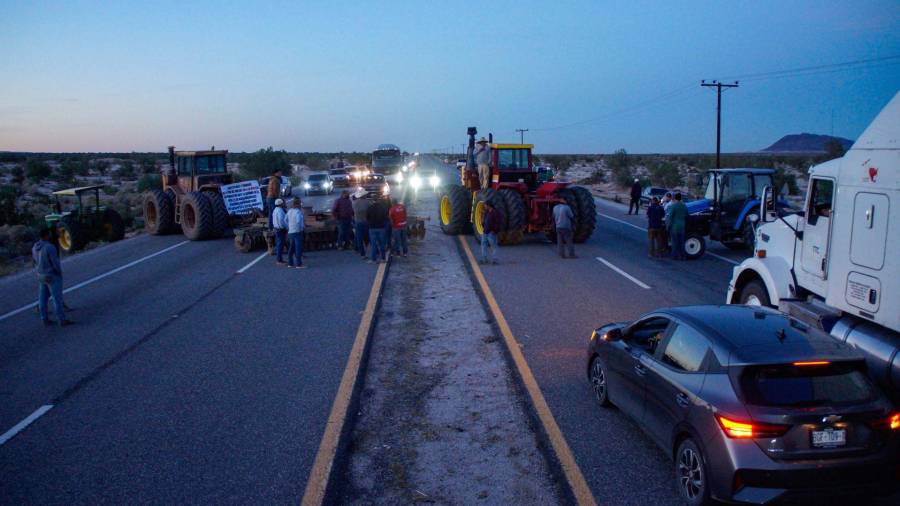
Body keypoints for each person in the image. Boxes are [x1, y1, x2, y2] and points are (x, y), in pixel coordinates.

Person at [33, 227, 72, 326]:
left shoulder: (34, 247)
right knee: (57, 298)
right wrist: (59, 272)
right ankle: (61, 319)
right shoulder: (50, 247)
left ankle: (44, 318)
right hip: (51, 275)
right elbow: (55, 262)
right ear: (46, 235)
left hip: (41, 275)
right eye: (49, 234)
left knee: (42, 298)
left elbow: (35, 261)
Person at [366, 195, 389, 263]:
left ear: (373, 200)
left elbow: (367, 217)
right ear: (378, 200)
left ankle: (374, 259)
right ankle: (383, 258)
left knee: (373, 244)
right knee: (382, 244)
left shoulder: (370, 208)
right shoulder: (383, 207)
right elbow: (386, 217)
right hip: (381, 227)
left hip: (372, 228)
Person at [666, 193, 689, 260]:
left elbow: (670, 217)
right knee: (681, 242)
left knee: (674, 242)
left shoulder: (673, 206)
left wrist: (668, 226)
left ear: (675, 198)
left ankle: (674, 255)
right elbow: (687, 215)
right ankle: (683, 256)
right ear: (680, 198)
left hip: (674, 226)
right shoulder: (684, 206)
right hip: (682, 226)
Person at [480, 200, 503, 264]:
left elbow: (498, 222)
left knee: (494, 246)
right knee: (483, 245)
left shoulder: (496, 212)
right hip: (485, 232)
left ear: (489, 205)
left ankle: (494, 260)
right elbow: (485, 221)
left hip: (491, 233)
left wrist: (494, 230)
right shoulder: (487, 212)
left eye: (485, 205)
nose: (484, 206)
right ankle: (484, 259)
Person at [286, 198, 306, 268]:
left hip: (290, 232)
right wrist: (301, 228)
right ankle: (299, 264)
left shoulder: (289, 211)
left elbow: (285, 220)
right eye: (300, 204)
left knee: (291, 248)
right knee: (298, 248)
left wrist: (289, 226)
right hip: (297, 231)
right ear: (298, 204)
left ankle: (290, 263)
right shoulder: (298, 212)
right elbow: (299, 222)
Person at [351, 189, 371, 258]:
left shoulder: (354, 203)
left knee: (359, 238)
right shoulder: (368, 202)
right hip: (366, 221)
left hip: (357, 222)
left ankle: (362, 254)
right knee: (369, 236)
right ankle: (374, 251)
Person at [272, 198, 288, 264]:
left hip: (277, 229)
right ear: (281, 204)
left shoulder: (275, 210)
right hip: (280, 230)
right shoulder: (280, 211)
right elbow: (282, 221)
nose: (284, 204)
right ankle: (279, 260)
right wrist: (287, 227)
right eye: (283, 203)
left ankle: (280, 259)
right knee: (280, 245)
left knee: (280, 244)